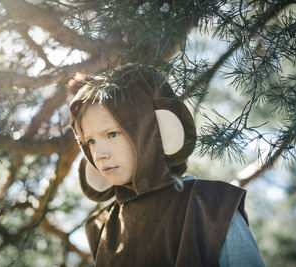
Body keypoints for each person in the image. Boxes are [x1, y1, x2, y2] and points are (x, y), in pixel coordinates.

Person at [69, 65, 265, 267]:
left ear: (152, 129)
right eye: (90, 141)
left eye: (112, 134)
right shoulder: (102, 228)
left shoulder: (210, 206)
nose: (99, 154)